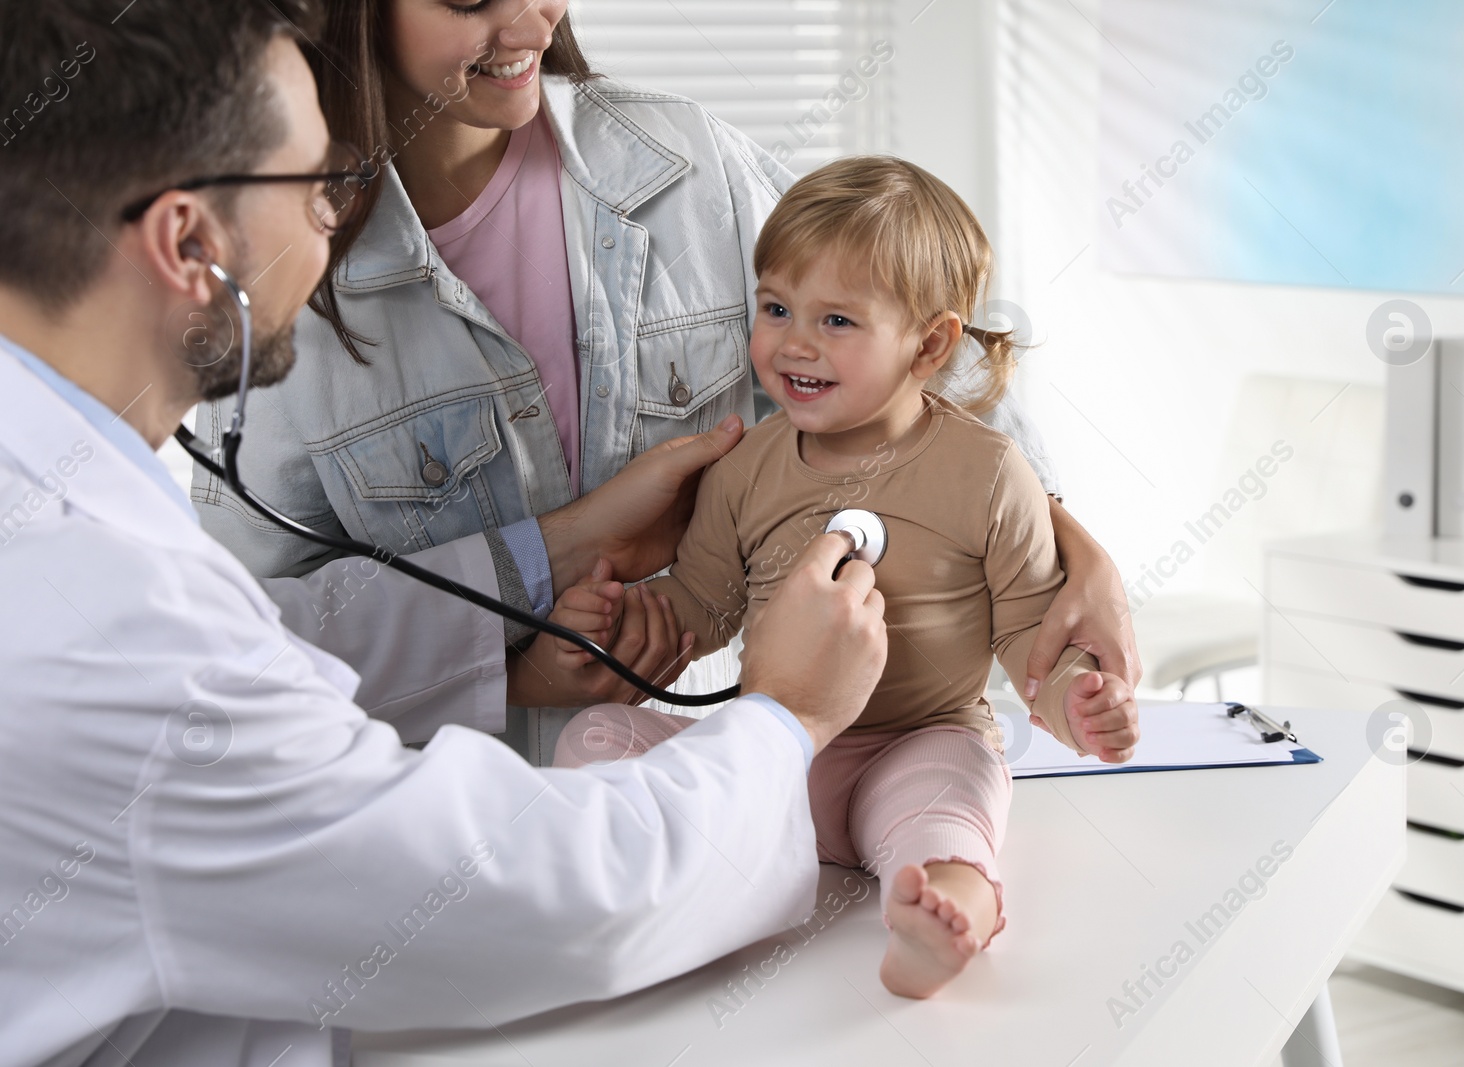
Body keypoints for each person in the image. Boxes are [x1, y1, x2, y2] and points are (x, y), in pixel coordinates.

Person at [0, 4, 886, 1064]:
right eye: (314, 180)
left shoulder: (63, 535)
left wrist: (546, 548)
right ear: (191, 243)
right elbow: (536, 897)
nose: (343, 212)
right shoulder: (123, 647)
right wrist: (785, 717)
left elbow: (271, 638)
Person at [191, 0, 1143, 766]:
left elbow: (941, 360)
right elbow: (253, 640)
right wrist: (522, 659)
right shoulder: (281, 276)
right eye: (471, 0)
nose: (532, 26)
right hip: (444, 841)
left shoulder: (688, 172)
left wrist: (1069, 541)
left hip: (724, 798)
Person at [551, 157, 1141, 998]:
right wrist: (626, 623)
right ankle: (629, 896)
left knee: (949, 805)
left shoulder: (986, 471)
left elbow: (1027, 632)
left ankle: (943, 913)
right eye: (776, 308)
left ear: (930, 343)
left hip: (914, 743)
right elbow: (704, 606)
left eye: (836, 320)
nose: (794, 342)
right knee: (597, 741)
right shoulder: (748, 467)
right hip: (778, 751)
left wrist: (1079, 702)